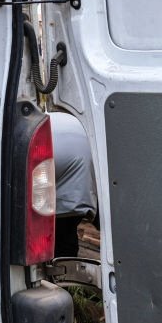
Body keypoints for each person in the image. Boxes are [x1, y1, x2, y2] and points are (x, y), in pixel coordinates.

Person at [49, 110, 98, 258]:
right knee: (66, 226)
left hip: (55, 152)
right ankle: (65, 267)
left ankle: (61, 268)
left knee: (61, 231)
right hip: (81, 146)